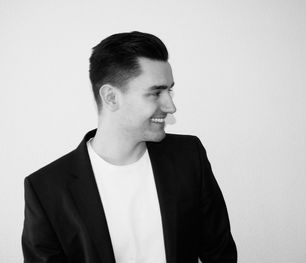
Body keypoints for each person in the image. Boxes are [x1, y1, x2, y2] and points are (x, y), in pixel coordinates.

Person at [22, 31, 237, 263]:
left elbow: (220, 254)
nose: (171, 106)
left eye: (170, 90)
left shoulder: (189, 157)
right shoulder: (47, 189)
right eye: (156, 92)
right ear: (111, 97)